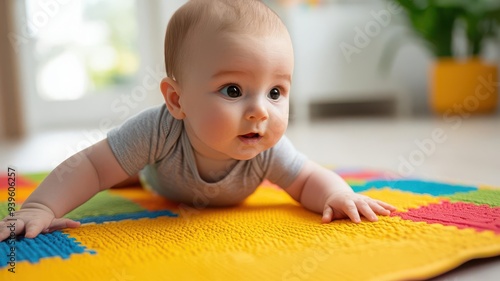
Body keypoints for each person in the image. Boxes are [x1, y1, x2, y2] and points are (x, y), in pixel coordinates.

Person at [0, 0, 395, 242]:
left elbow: (308, 179)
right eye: (233, 91)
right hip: (161, 175)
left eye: (276, 92)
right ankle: (132, 170)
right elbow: (90, 165)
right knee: (118, 169)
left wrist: (337, 195)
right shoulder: (157, 129)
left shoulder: (267, 144)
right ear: (177, 100)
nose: (261, 111)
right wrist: (39, 206)